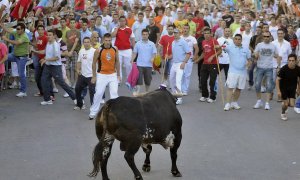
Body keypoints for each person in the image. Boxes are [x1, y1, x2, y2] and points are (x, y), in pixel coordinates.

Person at [89, 33, 120, 120]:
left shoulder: (115, 49)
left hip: (112, 75)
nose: (107, 42)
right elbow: (94, 63)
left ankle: (114, 113)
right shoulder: (98, 50)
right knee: (98, 93)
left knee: (114, 94)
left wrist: (118, 75)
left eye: (109, 40)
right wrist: (94, 76)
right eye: (106, 40)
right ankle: (93, 112)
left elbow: (117, 61)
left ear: (111, 40)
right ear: (103, 40)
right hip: (102, 75)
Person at [40, 30, 76, 105]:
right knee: (44, 81)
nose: (48, 36)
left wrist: (46, 59)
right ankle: (47, 100)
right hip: (48, 66)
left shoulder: (56, 45)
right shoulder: (48, 44)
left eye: (50, 35)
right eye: (48, 35)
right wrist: (44, 59)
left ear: (54, 36)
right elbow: (47, 54)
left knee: (62, 83)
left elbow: (56, 57)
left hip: (56, 67)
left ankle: (75, 98)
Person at [223, 34, 251, 111]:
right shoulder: (230, 47)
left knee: (239, 89)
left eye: (239, 39)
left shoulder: (246, 49)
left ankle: (234, 103)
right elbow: (221, 47)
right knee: (230, 88)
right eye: (236, 39)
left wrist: (248, 65)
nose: (237, 40)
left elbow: (249, 60)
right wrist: (217, 47)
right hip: (232, 71)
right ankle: (228, 104)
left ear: (241, 40)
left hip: (243, 72)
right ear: (233, 40)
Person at [253, 31, 281, 110]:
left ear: (270, 37)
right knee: (257, 85)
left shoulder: (273, 46)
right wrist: (256, 55)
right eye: (264, 36)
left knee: (269, 86)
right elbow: (255, 53)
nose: (266, 38)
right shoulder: (259, 45)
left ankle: (267, 103)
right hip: (260, 67)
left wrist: (278, 66)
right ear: (262, 37)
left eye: (267, 36)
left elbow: (277, 56)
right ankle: (259, 101)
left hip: (269, 68)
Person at [0, 23, 30, 97]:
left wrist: (6, 39)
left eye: (18, 29)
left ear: (23, 30)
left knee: (21, 74)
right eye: (16, 28)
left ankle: (23, 91)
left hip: (22, 57)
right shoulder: (16, 32)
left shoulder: (24, 36)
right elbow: (8, 30)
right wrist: (2, 26)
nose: (17, 30)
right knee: (5, 57)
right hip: (14, 55)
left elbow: (17, 42)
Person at [131, 29, 157, 96]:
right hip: (139, 64)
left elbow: (154, 53)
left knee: (148, 80)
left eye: (146, 34)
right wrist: (132, 60)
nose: (145, 36)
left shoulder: (152, 44)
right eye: (143, 34)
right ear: (141, 35)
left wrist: (152, 58)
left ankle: (147, 92)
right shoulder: (138, 43)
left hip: (149, 65)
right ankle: (137, 92)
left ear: (148, 35)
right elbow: (134, 53)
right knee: (139, 80)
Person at [199, 28, 222, 103]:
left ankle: (212, 97)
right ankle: (204, 95)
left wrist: (212, 56)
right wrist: (198, 59)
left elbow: (220, 50)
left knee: (212, 81)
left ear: (211, 34)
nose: (206, 35)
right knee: (202, 80)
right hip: (205, 63)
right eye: (205, 33)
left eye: (208, 33)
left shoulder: (214, 41)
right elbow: (204, 52)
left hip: (213, 64)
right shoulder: (203, 41)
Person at [169, 28, 191, 105]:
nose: (175, 34)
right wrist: (168, 56)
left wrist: (184, 62)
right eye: (174, 33)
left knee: (178, 81)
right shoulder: (173, 42)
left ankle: (179, 98)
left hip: (180, 63)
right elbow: (174, 53)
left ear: (179, 33)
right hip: (174, 63)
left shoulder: (183, 42)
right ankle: (174, 95)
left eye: (176, 33)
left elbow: (188, 53)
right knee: (171, 79)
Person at [276, 54, 300, 120]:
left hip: (292, 87)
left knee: (292, 105)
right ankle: (283, 113)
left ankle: (284, 105)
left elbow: (299, 80)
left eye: (293, 60)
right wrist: (278, 91)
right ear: (287, 61)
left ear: (296, 61)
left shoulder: (298, 69)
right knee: (286, 104)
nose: (291, 62)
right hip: (283, 87)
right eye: (289, 60)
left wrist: (298, 89)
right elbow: (277, 80)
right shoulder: (284, 69)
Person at [111, 15, 135, 83]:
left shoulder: (129, 29)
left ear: (125, 21)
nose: (122, 22)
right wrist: (117, 28)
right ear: (119, 21)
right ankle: (118, 79)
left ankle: (129, 79)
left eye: (123, 21)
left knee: (128, 65)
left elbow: (132, 39)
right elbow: (112, 35)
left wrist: (134, 50)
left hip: (127, 50)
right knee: (118, 65)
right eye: (121, 21)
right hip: (118, 50)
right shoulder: (115, 28)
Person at [74, 37, 96, 110]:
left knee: (92, 92)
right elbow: (79, 61)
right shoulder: (81, 51)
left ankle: (93, 108)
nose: (86, 43)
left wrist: (95, 76)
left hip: (91, 75)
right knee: (77, 89)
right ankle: (80, 105)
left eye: (88, 42)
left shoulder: (94, 51)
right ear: (83, 43)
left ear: (90, 43)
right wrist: (77, 69)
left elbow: (97, 64)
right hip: (82, 75)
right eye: (85, 42)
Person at [181, 24, 199, 95]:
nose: (185, 29)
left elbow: (196, 48)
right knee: (180, 74)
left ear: (189, 29)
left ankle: (185, 90)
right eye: (184, 28)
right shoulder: (180, 38)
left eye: (187, 28)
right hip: (181, 59)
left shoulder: (192, 38)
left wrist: (195, 56)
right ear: (182, 29)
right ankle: (180, 89)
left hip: (189, 59)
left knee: (187, 75)